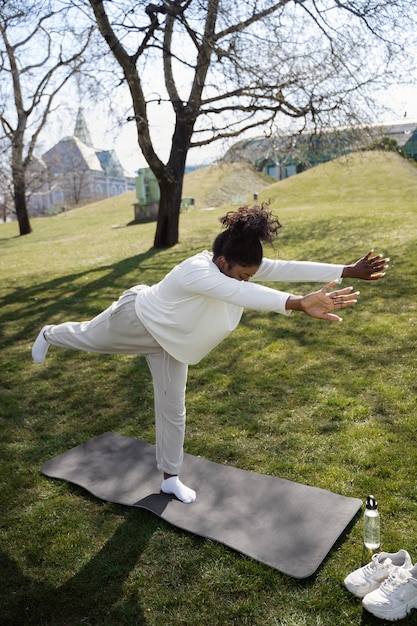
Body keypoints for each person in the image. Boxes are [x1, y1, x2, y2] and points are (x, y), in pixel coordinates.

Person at [32, 205, 389, 504]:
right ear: (221, 261)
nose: (246, 281)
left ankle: (170, 477)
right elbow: (247, 296)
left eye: (250, 275)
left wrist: (346, 270)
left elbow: (284, 268)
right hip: (136, 320)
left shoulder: (235, 265)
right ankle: (49, 334)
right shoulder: (197, 271)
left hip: (172, 342)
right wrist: (297, 304)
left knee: (174, 408)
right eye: (242, 275)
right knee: (85, 337)